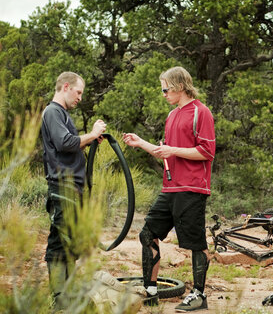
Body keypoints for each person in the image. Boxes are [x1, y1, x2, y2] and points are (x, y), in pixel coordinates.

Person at [122, 66, 215, 312]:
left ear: (180, 86)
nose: (163, 93)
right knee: (147, 234)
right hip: (170, 188)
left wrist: (172, 150)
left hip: (192, 188)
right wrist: (140, 143)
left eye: (166, 89)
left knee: (196, 244)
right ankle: (150, 292)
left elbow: (206, 152)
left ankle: (198, 296)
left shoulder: (200, 112)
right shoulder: (172, 115)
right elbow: (165, 154)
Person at [41, 71, 107, 309]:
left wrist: (89, 139)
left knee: (70, 243)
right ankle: (60, 300)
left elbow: (71, 145)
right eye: (78, 92)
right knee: (60, 242)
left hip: (72, 186)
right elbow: (65, 143)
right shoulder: (52, 112)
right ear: (66, 87)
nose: (80, 97)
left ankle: (67, 296)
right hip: (63, 186)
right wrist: (90, 134)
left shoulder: (62, 114)